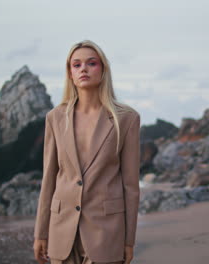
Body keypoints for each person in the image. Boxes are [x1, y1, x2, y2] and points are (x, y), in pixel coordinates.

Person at [33, 40, 141, 264]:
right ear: (70, 73)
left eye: (91, 63)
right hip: (61, 231)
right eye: (76, 65)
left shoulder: (126, 119)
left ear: (103, 70)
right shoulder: (55, 118)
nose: (83, 69)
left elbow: (130, 186)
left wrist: (129, 240)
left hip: (106, 233)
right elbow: (49, 178)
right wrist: (40, 233)